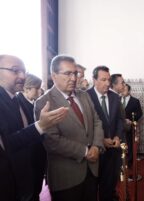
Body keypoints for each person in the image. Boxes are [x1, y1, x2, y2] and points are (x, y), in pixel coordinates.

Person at [34, 55, 104, 201]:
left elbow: (97, 121)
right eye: (68, 73)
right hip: (66, 177)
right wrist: (85, 152)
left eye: (75, 73)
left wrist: (97, 146)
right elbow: (51, 141)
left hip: (91, 170)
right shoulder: (44, 103)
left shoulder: (84, 96)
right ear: (54, 75)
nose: (73, 78)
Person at [0, 54, 68, 201]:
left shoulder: (13, 98)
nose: (22, 76)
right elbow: (6, 145)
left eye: (24, 71)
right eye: (15, 70)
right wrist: (41, 125)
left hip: (26, 177)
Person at [87, 66, 124, 201]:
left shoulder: (114, 97)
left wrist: (117, 136)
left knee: (108, 186)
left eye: (108, 80)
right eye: (103, 80)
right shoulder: (86, 97)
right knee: (91, 188)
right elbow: (86, 126)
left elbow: (120, 120)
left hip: (112, 151)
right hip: (94, 151)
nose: (108, 83)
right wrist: (100, 140)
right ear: (94, 80)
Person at [17, 73, 46, 201]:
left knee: (37, 189)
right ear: (27, 88)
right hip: (28, 156)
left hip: (38, 154)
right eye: (37, 88)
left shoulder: (35, 102)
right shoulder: (17, 104)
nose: (40, 91)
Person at [121, 84, 143, 177]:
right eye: (122, 89)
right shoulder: (117, 100)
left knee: (130, 145)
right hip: (119, 127)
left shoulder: (135, 101)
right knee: (120, 145)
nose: (122, 90)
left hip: (130, 127)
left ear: (129, 91)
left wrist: (132, 121)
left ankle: (129, 163)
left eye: (124, 89)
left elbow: (140, 113)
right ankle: (120, 163)